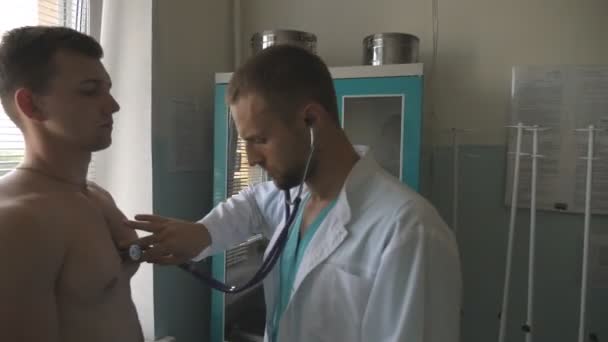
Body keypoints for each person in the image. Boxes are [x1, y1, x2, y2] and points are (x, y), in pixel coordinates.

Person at [126, 45, 461, 342]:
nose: (253, 158)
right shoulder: (295, 196)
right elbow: (253, 203)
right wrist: (202, 233)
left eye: (259, 140)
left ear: (311, 120)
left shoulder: (409, 231)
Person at [0, 26, 143, 341]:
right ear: (32, 106)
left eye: (108, 89)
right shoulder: (17, 222)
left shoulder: (95, 195)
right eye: (90, 90)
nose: (113, 105)